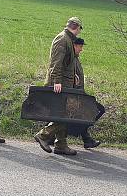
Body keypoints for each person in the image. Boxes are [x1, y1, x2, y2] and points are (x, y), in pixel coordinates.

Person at [34, 17, 82, 156]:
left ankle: (61, 145)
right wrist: (56, 81)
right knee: (66, 115)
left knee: (61, 114)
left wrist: (74, 76)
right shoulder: (62, 39)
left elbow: (67, 63)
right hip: (60, 84)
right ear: (77, 27)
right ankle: (43, 135)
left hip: (65, 82)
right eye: (79, 28)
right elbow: (56, 62)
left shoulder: (68, 39)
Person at [67, 37, 102, 149]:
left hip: (79, 94)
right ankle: (86, 139)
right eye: (80, 46)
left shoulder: (76, 58)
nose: (81, 49)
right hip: (74, 96)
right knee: (97, 110)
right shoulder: (71, 59)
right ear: (74, 46)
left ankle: (86, 138)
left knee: (88, 113)